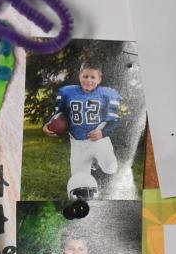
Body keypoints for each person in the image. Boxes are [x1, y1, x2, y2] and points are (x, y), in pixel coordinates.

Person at [43, 60, 121, 195]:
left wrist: (103, 132)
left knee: (110, 168)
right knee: (79, 181)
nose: (88, 80)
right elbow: (57, 114)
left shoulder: (107, 94)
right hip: (77, 142)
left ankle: (99, 163)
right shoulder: (68, 92)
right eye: (85, 76)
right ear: (80, 76)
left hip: (98, 139)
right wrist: (48, 124)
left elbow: (115, 120)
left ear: (99, 79)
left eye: (93, 77)